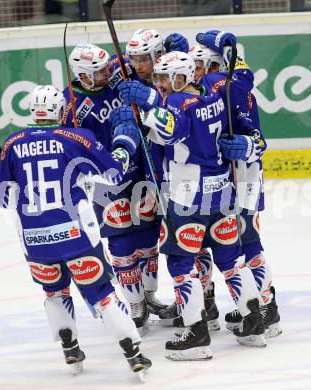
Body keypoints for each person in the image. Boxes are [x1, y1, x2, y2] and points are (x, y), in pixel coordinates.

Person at [0, 85, 151, 378]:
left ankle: (70, 347)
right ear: (61, 111)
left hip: (36, 239)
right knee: (101, 293)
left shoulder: (12, 143)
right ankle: (133, 351)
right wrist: (124, 142)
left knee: (54, 291)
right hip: (75, 235)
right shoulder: (75, 137)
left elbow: (1, 196)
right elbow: (114, 171)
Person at [118, 52, 267, 360]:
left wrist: (147, 102)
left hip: (189, 198)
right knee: (231, 260)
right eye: (156, 78)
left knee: (181, 265)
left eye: (163, 77)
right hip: (222, 191)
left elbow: (173, 132)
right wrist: (149, 117)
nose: (159, 82)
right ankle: (254, 322)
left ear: (181, 77)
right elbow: (181, 128)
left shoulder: (173, 103)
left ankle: (196, 334)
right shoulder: (212, 97)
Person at [62, 42, 168, 335]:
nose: (109, 71)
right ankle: (135, 304)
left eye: (108, 66)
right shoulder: (70, 103)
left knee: (149, 237)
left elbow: (134, 65)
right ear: (84, 76)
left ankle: (149, 297)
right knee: (121, 244)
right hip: (104, 181)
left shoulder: (117, 80)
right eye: (101, 70)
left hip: (139, 169)